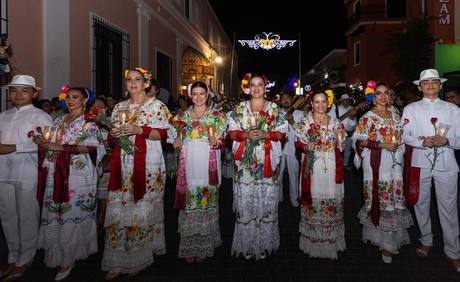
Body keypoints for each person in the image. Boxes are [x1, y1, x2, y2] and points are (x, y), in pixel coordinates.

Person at [101, 67, 171, 280]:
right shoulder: (119, 107)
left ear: (146, 83)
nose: (133, 83)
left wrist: (139, 130)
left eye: (138, 79)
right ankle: (117, 259)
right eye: (129, 79)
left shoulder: (157, 106)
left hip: (149, 164)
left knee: (141, 209)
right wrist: (114, 133)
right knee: (120, 209)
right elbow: (113, 136)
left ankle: (138, 258)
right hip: (122, 164)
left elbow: (166, 134)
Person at [32, 86, 105, 281]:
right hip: (56, 172)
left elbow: (90, 147)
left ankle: (69, 257)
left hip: (78, 174)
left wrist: (58, 146)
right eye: (68, 97)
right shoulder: (58, 120)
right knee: (55, 210)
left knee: (73, 211)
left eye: (75, 97)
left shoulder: (89, 122)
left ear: (84, 101)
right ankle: (56, 252)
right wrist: (42, 141)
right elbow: (52, 140)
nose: (70, 100)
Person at [402, 68, 460, 273]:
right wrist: (422, 141)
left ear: (440, 85)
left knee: (449, 208)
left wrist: (448, 140)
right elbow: (405, 135)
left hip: (446, 164)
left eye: (434, 82)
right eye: (426, 83)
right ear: (420, 86)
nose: (430, 85)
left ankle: (453, 251)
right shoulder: (411, 109)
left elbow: (459, 140)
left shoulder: (453, 109)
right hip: (420, 162)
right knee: (420, 203)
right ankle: (426, 240)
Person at [227, 73, 288, 260]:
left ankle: (264, 244)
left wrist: (264, 134)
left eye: (259, 84)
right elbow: (230, 133)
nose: (256, 88)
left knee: (266, 202)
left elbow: (282, 133)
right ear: (247, 88)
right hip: (246, 163)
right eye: (252, 85)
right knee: (246, 201)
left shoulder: (275, 109)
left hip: (267, 161)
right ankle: (246, 244)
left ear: (265, 87)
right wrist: (246, 135)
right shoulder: (239, 109)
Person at [351, 82, 413, 264]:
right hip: (376, 161)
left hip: (395, 160)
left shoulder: (395, 114)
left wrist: (398, 148)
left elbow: (401, 137)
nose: (383, 97)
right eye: (379, 93)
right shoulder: (368, 117)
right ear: (373, 97)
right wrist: (383, 145)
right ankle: (385, 244)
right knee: (381, 197)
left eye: (387, 93)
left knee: (394, 197)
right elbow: (359, 142)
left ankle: (392, 238)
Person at [0, 75, 53, 281]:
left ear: (34, 94)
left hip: (26, 171)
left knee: (27, 217)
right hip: (3, 172)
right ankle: (13, 256)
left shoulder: (40, 116)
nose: (18, 95)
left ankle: (26, 258)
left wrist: (13, 148)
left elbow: (47, 144)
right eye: (14, 90)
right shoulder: (3, 115)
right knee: (7, 217)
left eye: (24, 91)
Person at [169, 81, 227, 264]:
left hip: (208, 166)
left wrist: (215, 142)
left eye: (202, 93)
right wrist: (175, 144)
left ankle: (204, 245)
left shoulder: (218, 117)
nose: (199, 97)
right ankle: (190, 246)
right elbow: (174, 140)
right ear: (190, 95)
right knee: (189, 204)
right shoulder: (180, 118)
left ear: (208, 94)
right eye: (195, 93)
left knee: (206, 203)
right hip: (189, 167)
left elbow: (222, 142)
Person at [295, 90, 346, 259]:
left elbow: (340, 142)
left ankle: (330, 244)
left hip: (331, 168)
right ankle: (312, 243)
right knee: (314, 202)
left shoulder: (336, 123)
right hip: (313, 169)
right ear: (311, 104)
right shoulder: (305, 123)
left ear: (328, 103)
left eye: (323, 101)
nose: (320, 105)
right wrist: (305, 147)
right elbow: (298, 143)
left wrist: (341, 145)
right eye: (317, 102)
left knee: (331, 201)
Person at [278, 91, 304, 207]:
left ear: (292, 100)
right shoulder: (276, 114)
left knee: (294, 174)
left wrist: (293, 122)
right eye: (283, 98)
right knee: (278, 175)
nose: (285, 100)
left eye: (287, 97)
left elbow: (302, 130)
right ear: (280, 101)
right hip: (279, 149)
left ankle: (294, 197)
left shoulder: (300, 113)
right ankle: (278, 196)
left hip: (292, 149)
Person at [328, 93, 357, 170]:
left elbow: (349, 128)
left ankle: (345, 164)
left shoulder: (341, 110)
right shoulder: (316, 110)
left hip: (340, 141)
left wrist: (351, 118)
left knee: (346, 150)